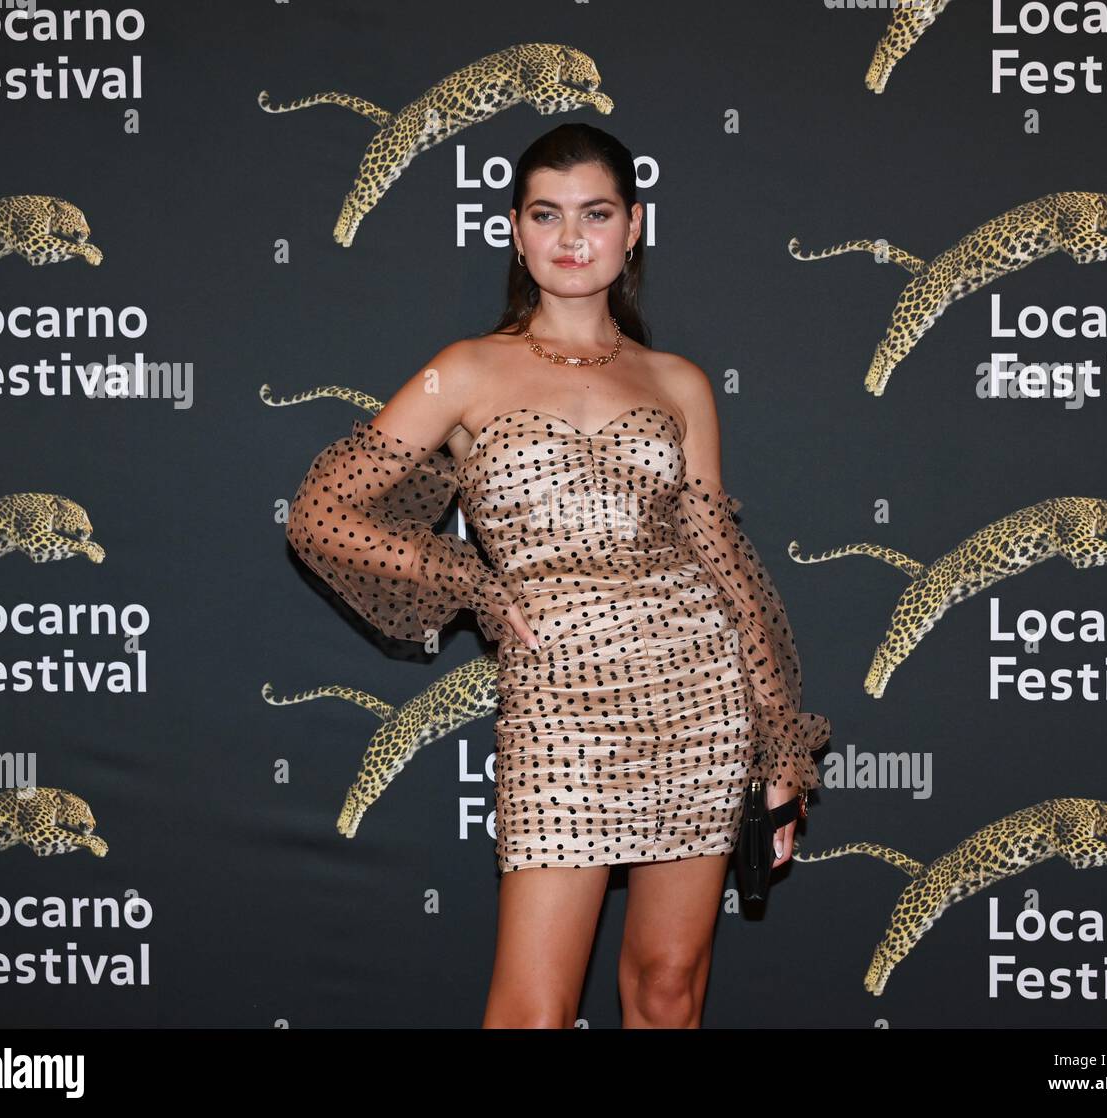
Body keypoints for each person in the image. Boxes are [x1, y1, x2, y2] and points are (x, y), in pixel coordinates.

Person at [286, 123, 830, 1028]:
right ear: (515, 230)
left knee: (667, 986)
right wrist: (473, 581)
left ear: (633, 227)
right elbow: (322, 513)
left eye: (596, 213)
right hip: (561, 708)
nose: (572, 238)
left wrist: (777, 744)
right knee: (532, 1014)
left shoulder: (679, 383)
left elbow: (727, 568)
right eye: (548, 214)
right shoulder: (467, 370)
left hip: (696, 694)